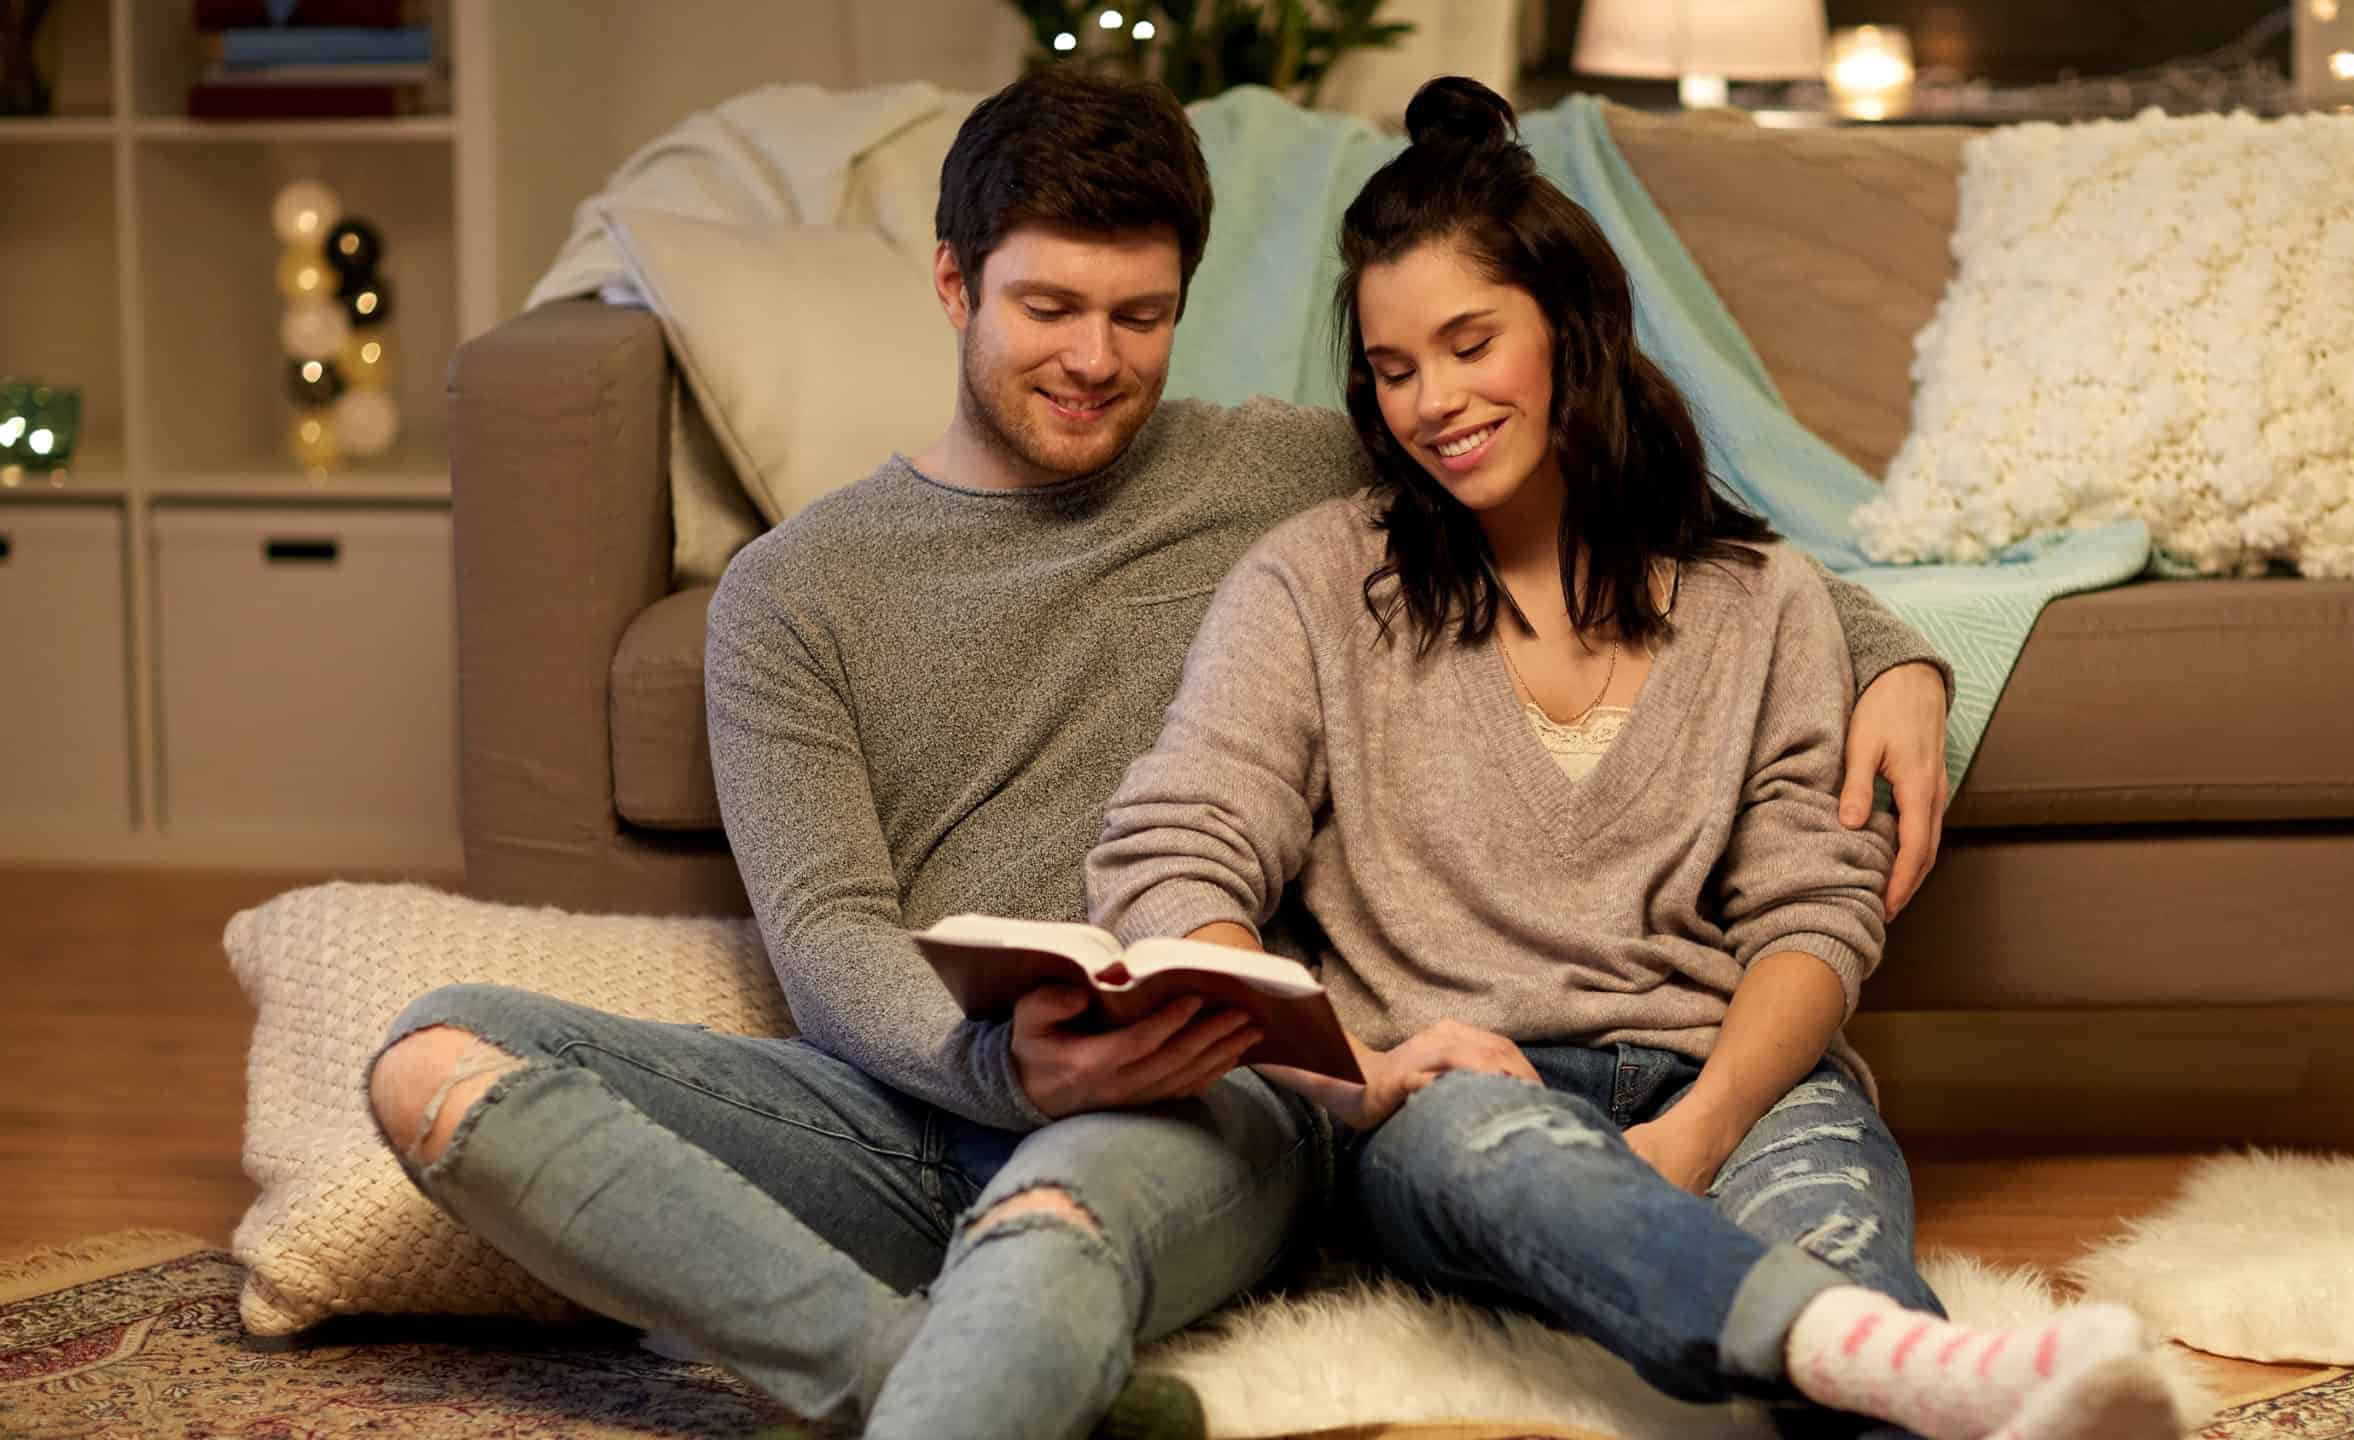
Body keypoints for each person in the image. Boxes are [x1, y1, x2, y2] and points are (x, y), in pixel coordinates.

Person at [364, 65, 1960, 1440]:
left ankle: (991, 1346)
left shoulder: (1284, 470)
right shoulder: (792, 593)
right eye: (1048, 306)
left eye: (1140, 317)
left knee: (1056, 1216)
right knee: (432, 1055)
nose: (1095, 359)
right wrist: (996, 1063)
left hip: (1196, 1097)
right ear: (951, 285)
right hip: (911, 1093)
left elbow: (1597, 493)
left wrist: (1891, 658)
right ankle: (909, 1370)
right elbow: (831, 935)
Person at [1086, 77, 2183, 1440]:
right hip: (1463, 1103)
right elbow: (1176, 849)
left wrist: (1706, 1127)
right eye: (1391, 367)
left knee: (1841, 1260)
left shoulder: (1764, 599)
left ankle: (1897, 1369)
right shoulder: (1312, 587)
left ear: (1570, 326)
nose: (1432, 402)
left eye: (1469, 343)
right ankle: (1874, 1351)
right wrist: (1353, 1072)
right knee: (1521, 1164)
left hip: (1729, 1071)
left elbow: (1813, 908)